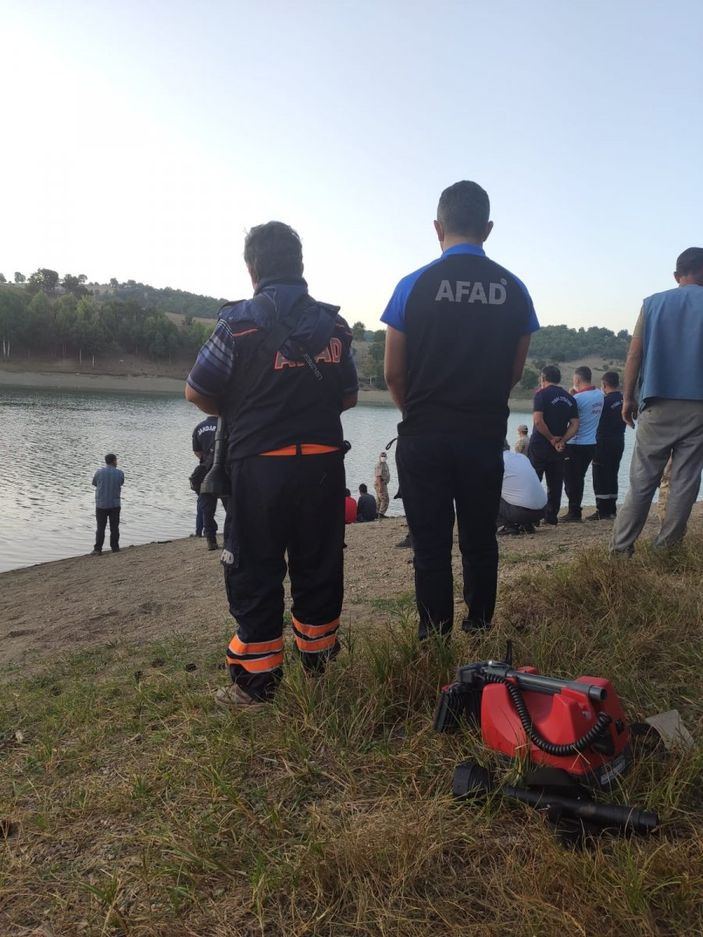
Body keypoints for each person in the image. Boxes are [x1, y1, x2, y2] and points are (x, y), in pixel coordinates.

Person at [185, 221, 358, 707]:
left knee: (255, 569)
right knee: (320, 565)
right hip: (324, 467)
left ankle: (257, 688)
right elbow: (347, 396)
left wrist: (245, 412)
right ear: (300, 267)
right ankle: (321, 671)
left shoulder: (237, 323)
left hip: (260, 470)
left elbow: (197, 390)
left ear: (252, 268)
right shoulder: (336, 327)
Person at [382, 179, 539, 637]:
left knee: (431, 546)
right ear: (487, 229)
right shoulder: (515, 289)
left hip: (424, 434)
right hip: (483, 434)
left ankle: (434, 636)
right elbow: (513, 373)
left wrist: (414, 412)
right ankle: (480, 626)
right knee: (479, 540)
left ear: (438, 227)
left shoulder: (413, 285)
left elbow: (394, 372)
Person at [611, 247, 703, 555]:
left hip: (656, 401)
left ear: (677, 275)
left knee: (641, 479)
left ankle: (621, 549)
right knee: (685, 482)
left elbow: (634, 354)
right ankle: (666, 549)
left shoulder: (652, 304)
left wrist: (627, 398)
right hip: (699, 406)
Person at [527, 366, 579, 526]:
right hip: (559, 447)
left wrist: (551, 439)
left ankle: (532, 516)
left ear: (543, 378)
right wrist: (562, 440)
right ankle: (551, 515)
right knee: (555, 481)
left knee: (534, 479)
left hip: (540, 444)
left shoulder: (541, 395)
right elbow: (575, 424)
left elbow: (538, 420)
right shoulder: (570, 398)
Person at [562, 366, 604, 521]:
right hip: (591, 443)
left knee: (570, 478)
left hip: (575, 443)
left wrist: (569, 395)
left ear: (577, 380)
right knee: (579, 477)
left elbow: (566, 416)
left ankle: (574, 511)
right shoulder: (600, 395)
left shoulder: (577, 399)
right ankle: (575, 509)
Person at [589, 371, 626, 519]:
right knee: (613, 473)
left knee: (600, 474)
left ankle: (602, 510)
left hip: (603, 441)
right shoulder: (624, 399)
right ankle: (611, 508)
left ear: (604, 385)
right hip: (619, 441)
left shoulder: (604, 402)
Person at [192, 414, 229, 550]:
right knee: (230, 508)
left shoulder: (199, 427)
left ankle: (211, 540)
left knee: (207, 509)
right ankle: (228, 538)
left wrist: (207, 459)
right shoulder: (227, 425)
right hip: (225, 470)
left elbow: (197, 451)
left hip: (205, 470)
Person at [497, 440, 547, 534]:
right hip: (542, 510)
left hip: (521, 512)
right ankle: (526, 524)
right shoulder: (521, 457)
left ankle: (504, 526)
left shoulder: (497, 461)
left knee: (486, 492)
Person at [91, 453, 124, 555]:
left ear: (106, 461)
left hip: (101, 504)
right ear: (114, 461)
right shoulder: (120, 473)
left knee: (100, 527)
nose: (117, 462)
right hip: (115, 504)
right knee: (114, 527)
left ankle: (98, 549)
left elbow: (94, 483)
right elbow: (121, 483)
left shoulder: (99, 472)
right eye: (116, 460)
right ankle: (115, 548)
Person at [374, 451, 391, 516]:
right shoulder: (379, 465)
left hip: (384, 484)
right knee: (385, 499)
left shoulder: (385, 464)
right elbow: (378, 476)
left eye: (384, 456)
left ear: (386, 457)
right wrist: (380, 487)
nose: (383, 457)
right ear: (379, 457)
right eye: (382, 456)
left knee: (379, 500)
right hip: (380, 484)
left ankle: (376, 513)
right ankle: (381, 513)